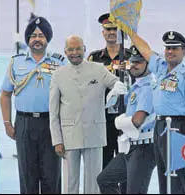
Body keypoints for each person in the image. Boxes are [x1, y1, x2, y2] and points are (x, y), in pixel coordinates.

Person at [49, 35, 127, 194]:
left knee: (94, 183)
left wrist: (118, 87)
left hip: (94, 133)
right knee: (70, 182)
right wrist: (57, 140)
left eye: (78, 48)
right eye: (70, 49)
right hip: (70, 134)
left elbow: (115, 82)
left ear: (84, 49)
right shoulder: (58, 74)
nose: (75, 52)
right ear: (65, 51)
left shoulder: (98, 69)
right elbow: (54, 111)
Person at [127, 30, 185, 194]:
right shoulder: (160, 68)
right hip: (159, 126)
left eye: (175, 48)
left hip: (177, 126)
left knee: (176, 175)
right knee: (163, 173)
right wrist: (131, 33)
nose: (170, 52)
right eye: (168, 48)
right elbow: (145, 50)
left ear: (184, 51)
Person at [0, 16, 66, 194]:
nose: (37, 39)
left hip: (51, 124)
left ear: (48, 39)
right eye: (33, 35)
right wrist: (7, 123)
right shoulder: (16, 62)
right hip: (24, 124)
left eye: (42, 35)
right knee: (27, 176)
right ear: (28, 39)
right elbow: (5, 94)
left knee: (51, 176)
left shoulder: (59, 63)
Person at [97, 45, 156, 194]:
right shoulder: (136, 86)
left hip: (144, 147)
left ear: (148, 63)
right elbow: (115, 108)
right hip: (131, 147)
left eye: (139, 62)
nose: (134, 65)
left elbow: (137, 120)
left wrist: (120, 123)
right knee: (105, 179)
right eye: (132, 61)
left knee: (134, 191)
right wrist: (113, 95)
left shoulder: (148, 87)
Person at [87, 13, 132, 172]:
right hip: (103, 116)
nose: (112, 32)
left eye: (115, 29)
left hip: (126, 115)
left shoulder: (131, 56)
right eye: (108, 29)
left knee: (127, 160)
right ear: (103, 32)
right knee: (104, 161)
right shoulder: (94, 58)